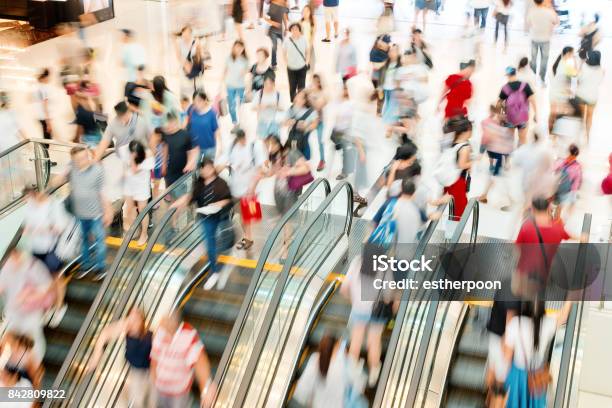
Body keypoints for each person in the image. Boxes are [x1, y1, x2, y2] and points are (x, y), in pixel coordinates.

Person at [171, 159, 233, 289]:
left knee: (217, 243)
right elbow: (190, 197)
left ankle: (215, 264)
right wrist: (177, 206)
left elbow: (228, 199)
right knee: (210, 243)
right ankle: (214, 270)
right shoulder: (199, 184)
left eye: (208, 167)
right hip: (206, 217)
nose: (206, 170)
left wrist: (219, 204)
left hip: (221, 216)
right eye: (203, 168)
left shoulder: (221, 183)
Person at [504, 301, 572, 408]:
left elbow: (507, 357)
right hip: (538, 377)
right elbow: (564, 316)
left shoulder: (515, 323)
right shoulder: (548, 323)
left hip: (518, 376)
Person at [21, 187, 70, 327]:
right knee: (43, 280)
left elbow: (60, 227)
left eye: (31, 196)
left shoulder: (53, 205)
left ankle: (60, 307)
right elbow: (26, 224)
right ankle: (48, 307)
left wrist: (39, 230)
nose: (29, 199)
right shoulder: (28, 205)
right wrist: (29, 230)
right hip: (35, 249)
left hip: (51, 249)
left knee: (56, 278)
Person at [88, 307, 154, 408]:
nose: (132, 321)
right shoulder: (127, 325)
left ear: (142, 320)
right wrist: (97, 355)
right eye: (131, 317)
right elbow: (105, 333)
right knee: (138, 400)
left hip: (151, 370)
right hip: (136, 371)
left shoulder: (150, 335)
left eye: (136, 318)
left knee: (152, 399)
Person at [0, 245, 53, 365]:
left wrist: (27, 297)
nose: (11, 259)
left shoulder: (32, 265)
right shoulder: (7, 268)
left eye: (13, 255)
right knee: (11, 336)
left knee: (31, 333)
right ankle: (15, 363)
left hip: (31, 311)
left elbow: (47, 286)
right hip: (13, 310)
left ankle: (34, 360)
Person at [65, 147, 112, 279]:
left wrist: (108, 211)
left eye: (84, 157)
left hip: (95, 214)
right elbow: (65, 179)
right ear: (74, 160)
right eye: (78, 159)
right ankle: (86, 265)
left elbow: (103, 192)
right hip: (80, 214)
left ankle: (100, 268)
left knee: (99, 241)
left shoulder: (97, 170)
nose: (83, 161)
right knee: (84, 240)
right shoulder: (72, 168)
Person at [150, 311, 214, 407]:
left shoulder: (188, 335)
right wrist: (154, 381)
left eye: (166, 319)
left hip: (178, 395)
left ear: (174, 321)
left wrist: (206, 389)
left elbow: (200, 362)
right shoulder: (160, 331)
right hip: (160, 390)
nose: (161, 322)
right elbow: (154, 358)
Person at [218, 128, 267, 251]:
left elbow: (261, 169)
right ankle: (247, 238)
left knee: (247, 215)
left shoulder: (255, 146)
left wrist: (252, 187)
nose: (240, 141)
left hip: (250, 188)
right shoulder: (232, 146)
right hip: (235, 187)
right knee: (240, 214)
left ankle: (248, 238)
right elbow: (223, 162)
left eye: (241, 138)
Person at [293, 334, 365, 408]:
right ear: (337, 346)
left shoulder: (315, 359)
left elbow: (302, 391)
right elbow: (359, 383)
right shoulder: (344, 361)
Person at [264, 135, 312, 215]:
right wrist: (263, 173)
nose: (268, 149)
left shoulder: (292, 153)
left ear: (277, 144)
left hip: (291, 192)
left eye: (269, 145)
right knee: (283, 218)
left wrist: (288, 172)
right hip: (279, 192)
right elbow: (272, 172)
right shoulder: (275, 156)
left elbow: (306, 168)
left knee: (288, 218)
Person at [122, 141, 153, 246]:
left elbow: (134, 169)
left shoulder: (148, 158)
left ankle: (144, 234)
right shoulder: (125, 150)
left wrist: (132, 159)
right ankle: (133, 230)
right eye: (131, 153)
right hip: (129, 185)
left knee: (142, 210)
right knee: (129, 208)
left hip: (141, 186)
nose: (133, 156)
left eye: (135, 154)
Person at [161, 113, 199, 194]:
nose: (168, 127)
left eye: (170, 123)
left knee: (181, 193)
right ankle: (169, 195)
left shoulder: (185, 135)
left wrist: (189, 164)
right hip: (170, 169)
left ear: (175, 122)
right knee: (170, 189)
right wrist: (163, 164)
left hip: (182, 171)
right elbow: (165, 148)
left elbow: (193, 151)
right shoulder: (166, 134)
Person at [498, 66, 536, 145]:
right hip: (523, 117)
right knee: (523, 139)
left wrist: (500, 115)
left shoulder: (505, 88)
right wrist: (536, 113)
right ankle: (520, 155)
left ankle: (510, 156)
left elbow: (499, 103)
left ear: (507, 75)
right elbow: (532, 100)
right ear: (515, 74)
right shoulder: (525, 85)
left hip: (510, 117)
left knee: (509, 140)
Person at [442, 118, 472, 220]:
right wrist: (473, 163)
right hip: (458, 181)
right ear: (465, 131)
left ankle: (450, 230)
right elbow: (462, 165)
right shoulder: (465, 147)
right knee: (459, 209)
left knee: (451, 205)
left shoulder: (451, 142)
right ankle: (453, 232)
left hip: (447, 178)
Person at [526, 0, 559, 83]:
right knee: (544, 59)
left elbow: (528, 23)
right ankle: (542, 77)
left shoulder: (532, 11)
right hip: (546, 39)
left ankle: (533, 75)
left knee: (533, 58)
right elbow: (556, 22)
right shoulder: (549, 12)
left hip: (534, 38)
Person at [576, 50, 603, 140]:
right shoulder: (601, 70)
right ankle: (587, 136)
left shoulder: (584, 67)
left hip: (581, 95)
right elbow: (598, 82)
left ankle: (579, 134)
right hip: (593, 96)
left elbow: (578, 80)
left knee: (581, 116)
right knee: (589, 117)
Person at [186, 90, 221, 161]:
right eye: (194, 101)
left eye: (199, 101)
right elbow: (186, 123)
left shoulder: (211, 113)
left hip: (209, 148)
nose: (196, 104)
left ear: (205, 100)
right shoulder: (191, 109)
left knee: (207, 169)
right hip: (194, 147)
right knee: (195, 169)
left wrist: (219, 146)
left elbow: (216, 130)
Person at [549, 46, 577, 133]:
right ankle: (557, 132)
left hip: (553, 93)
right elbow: (576, 73)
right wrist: (575, 61)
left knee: (552, 113)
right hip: (561, 95)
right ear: (568, 54)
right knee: (560, 115)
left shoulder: (556, 64)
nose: (573, 55)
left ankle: (550, 133)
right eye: (572, 53)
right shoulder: (567, 67)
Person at [284, 90, 318, 160]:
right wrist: (290, 122)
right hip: (292, 139)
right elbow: (284, 123)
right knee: (292, 159)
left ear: (305, 100)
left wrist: (306, 127)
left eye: (300, 97)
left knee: (305, 160)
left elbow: (315, 124)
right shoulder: (291, 109)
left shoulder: (311, 111)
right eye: (297, 96)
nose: (297, 99)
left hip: (305, 141)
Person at [553, 143, 582, 218]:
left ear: (574, 155)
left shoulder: (577, 167)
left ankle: (555, 223)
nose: (568, 156)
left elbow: (576, 183)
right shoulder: (562, 161)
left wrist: (573, 196)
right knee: (550, 206)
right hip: (554, 188)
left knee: (559, 208)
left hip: (564, 191)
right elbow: (553, 169)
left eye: (569, 154)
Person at [284, 23, 310, 102]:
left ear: (299, 30)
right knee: (292, 87)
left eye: (296, 29)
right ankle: (293, 102)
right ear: (290, 30)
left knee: (301, 87)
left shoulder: (304, 39)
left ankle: (301, 102)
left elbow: (307, 51)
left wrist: (306, 62)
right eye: (292, 29)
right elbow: (283, 52)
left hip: (302, 67)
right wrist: (286, 63)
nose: (294, 31)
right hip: (291, 67)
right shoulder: (287, 40)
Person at [307, 75, 328, 172]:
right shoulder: (309, 92)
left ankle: (322, 160)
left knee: (320, 141)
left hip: (320, 121)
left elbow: (318, 106)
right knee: (303, 138)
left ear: (319, 83)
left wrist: (309, 97)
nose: (313, 83)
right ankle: (304, 159)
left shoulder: (322, 94)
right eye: (313, 81)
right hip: (309, 120)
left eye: (316, 81)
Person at [379, 44, 401, 124]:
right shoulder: (387, 63)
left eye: (394, 51)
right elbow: (382, 76)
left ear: (398, 52)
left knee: (392, 107)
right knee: (387, 105)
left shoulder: (400, 64)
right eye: (391, 51)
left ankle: (386, 123)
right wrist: (380, 87)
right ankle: (386, 123)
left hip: (394, 89)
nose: (392, 52)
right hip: (386, 88)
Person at [265, 0, 289, 70]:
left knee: (285, 45)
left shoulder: (283, 3)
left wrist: (286, 28)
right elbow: (265, 18)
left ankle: (288, 62)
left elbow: (284, 15)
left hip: (280, 29)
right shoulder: (271, 3)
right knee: (274, 46)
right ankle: (273, 64)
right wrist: (274, 23)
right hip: (272, 30)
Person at [35, 68, 52, 140]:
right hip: (44, 116)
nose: (49, 79)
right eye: (48, 77)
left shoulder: (37, 87)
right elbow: (45, 105)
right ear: (45, 77)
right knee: (47, 138)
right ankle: (44, 150)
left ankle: (43, 150)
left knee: (45, 136)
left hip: (40, 115)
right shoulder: (44, 88)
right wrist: (48, 123)